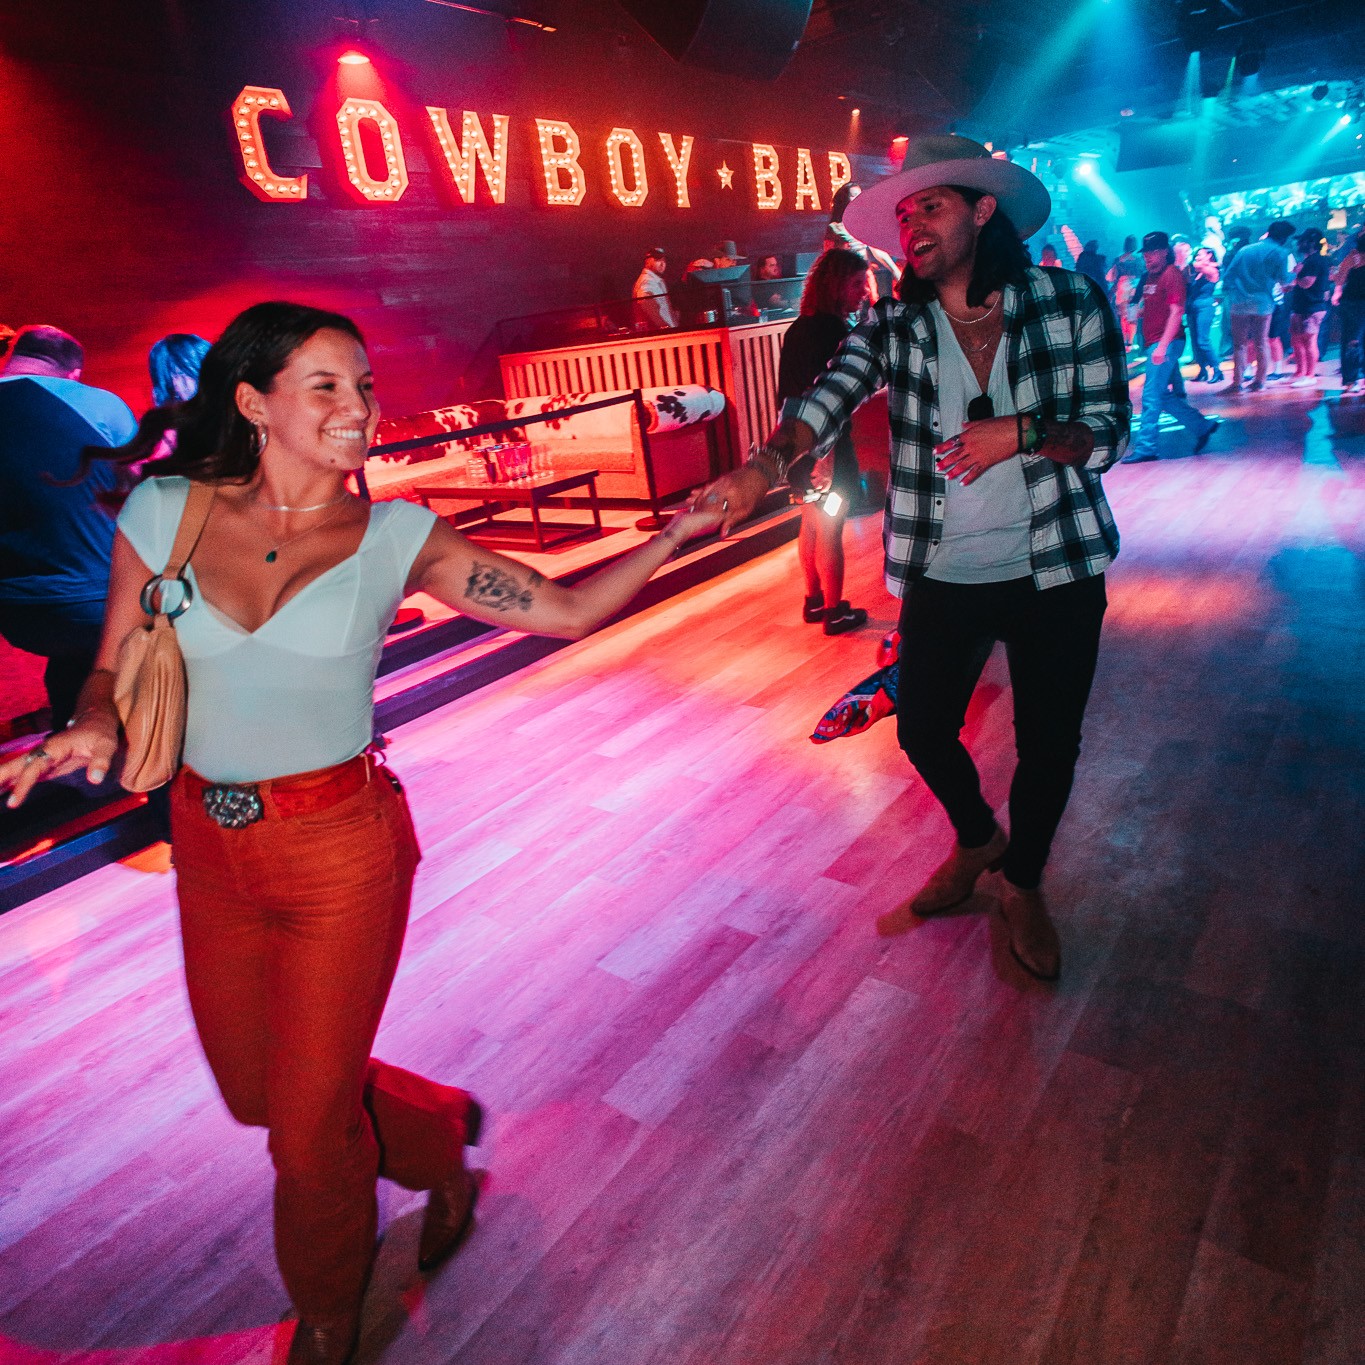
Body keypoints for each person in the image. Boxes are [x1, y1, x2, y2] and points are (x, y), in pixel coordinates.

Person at [0, 302, 721, 1365]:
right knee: (258, 1093)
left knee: (307, 1136)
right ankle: (435, 1141)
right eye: (327, 385)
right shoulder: (163, 510)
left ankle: (331, 1315)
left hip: (340, 846)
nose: (360, 407)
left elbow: (563, 611)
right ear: (254, 404)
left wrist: (673, 534)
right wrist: (95, 722)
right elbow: (114, 662)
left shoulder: (397, 538)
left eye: (366, 385)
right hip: (208, 843)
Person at [694, 135, 1132, 982]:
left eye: (929, 206)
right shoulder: (891, 324)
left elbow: (1111, 433)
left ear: (982, 210)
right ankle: (978, 839)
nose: (911, 228)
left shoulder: (1067, 300)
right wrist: (763, 463)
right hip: (944, 571)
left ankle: (1023, 881)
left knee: (1049, 746)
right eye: (902, 215)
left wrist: (1024, 432)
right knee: (923, 728)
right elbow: (824, 397)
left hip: (1057, 567)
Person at [0, 325, 137, 729]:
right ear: (74, 372)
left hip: (16, 612)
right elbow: (143, 492)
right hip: (100, 602)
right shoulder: (98, 404)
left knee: (73, 660)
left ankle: (70, 732)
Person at [777, 248, 871, 635]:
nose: (864, 291)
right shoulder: (834, 333)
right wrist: (827, 456)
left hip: (796, 448)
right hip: (827, 449)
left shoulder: (798, 328)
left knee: (811, 523)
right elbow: (826, 400)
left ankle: (814, 600)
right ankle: (835, 612)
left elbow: (791, 396)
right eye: (856, 283)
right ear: (836, 285)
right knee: (831, 526)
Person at [1124, 232, 1218, 463]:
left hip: (1166, 341)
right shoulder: (1150, 276)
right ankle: (1202, 426)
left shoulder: (1171, 275)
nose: (1148, 256)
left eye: (1153, 252)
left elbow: (1177, 312)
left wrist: (1162, 347)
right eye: (1146, 253)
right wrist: (1138, 312)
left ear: (1165, 252)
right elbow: (1151, 306)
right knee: (1161, 394)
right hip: (1155, 341)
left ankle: (1146, 448)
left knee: (1150, 395)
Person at [1220, 219, 1296, 392]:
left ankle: (1237, 383)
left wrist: (1234, 294)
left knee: (1239, 345)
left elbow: (1229, 276)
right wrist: (1295, 275)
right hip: (1263, 303)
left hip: (1239, 303)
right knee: (1261, 343)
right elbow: (1284, 280)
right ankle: (1260, 382)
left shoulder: (1245, 250)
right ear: (1284, 238)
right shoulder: (1280, 253)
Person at [826, 184, 902, 303]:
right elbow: (830, 258)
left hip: (865, 276)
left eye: (860, 195)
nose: (858, 199)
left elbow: (876, 250)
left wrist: (895, 271)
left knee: (872, 304)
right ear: (844, 200)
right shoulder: (835, 228)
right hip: (847, 278)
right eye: (854, 195)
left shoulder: (864, 224)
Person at [1289, 230, 1331, 386]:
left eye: (1302, 241)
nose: (1299, 244)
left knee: (1309, 341)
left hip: (1312, 307)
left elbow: (1307, 283)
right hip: (1302, 306)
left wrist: (1296, 274)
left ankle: (1310, 375)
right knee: (1297, 340)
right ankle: (1300, 372)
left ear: (1311, 243)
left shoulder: (1315, 260)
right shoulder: (1310, 260)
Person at [1333, 230, 1365, 395]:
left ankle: (1355, 379)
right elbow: (1340, 279)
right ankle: (1353, 379)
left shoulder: (1352, 257)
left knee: (1354, 340)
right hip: (1353, 304)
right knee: (1353, 340)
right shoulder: (1353, 257)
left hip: (1352, 303)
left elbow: (1339, 279)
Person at [1186, 246, 1221, 383]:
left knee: (1203, 340)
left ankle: (1217, 370)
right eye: (1196, 255)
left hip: (1205, 307)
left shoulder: (1212, 270)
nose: (1196, 257)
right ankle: (1202, 370)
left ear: (1209, 255)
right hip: (1193, 307)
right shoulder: (1199, 270)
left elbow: (1196, 265)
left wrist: (1212, 263)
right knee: (1195, 341)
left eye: (1200, 254)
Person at [1107, 236, 1143, 350]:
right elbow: (1143, 273)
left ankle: (1124, 340)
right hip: (1135, 287)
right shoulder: (1140, 258)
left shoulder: (1118, 259)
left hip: (1122, 287)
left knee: (1123, 316)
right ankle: (1130, 342)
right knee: (1132, 316)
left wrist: (1111, 292)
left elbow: (1113, 278)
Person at [632, 247, 678, 332]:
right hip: (664, 334)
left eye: (664, 260)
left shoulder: (655, 280)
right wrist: (665, 327)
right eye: (657, 260)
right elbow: (645, 303)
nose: (662, 264)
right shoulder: (647, 281)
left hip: (669, 332)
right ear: (647, 262)